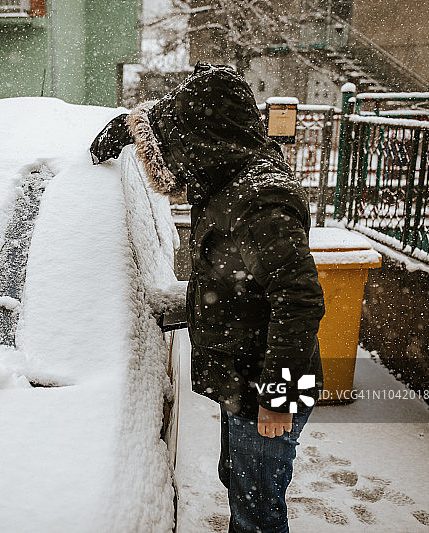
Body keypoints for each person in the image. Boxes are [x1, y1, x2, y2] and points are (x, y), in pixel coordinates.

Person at [90, 63, 325, 533]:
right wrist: (127, 130)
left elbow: (299, 300)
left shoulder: (260, 201)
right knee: (238, 481)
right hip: (244, 378)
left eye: (182, 146)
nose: (176, 161)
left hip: (268, 383)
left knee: (256, 512)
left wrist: (279, 397)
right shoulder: (234, 173)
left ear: (207, 140)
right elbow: (187, 111)